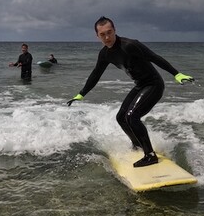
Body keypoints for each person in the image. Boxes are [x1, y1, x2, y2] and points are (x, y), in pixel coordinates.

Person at [67, 16, 193, 167]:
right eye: (102, 34)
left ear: (115, 30)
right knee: (121, 117)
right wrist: (81, 94)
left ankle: (150, 155)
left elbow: (155, 57)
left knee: (132, 117)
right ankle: (138, 145)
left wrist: (176, 74)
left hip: (154, 85)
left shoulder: (130, 45)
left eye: (109, 32)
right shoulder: (105, 54)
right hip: (140, 85)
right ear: (97, 36)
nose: (107, 37)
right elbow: (95, 75)